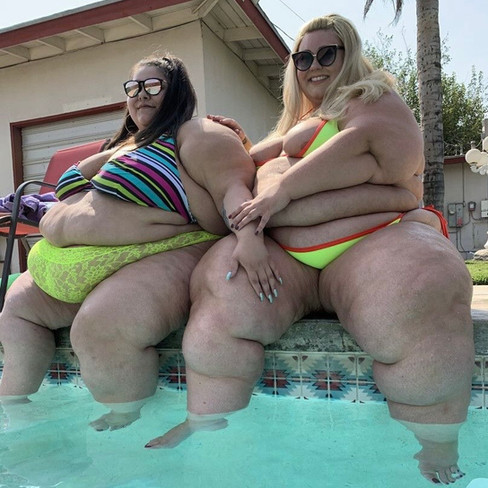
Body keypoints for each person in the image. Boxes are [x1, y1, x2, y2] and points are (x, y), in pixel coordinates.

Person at [147, 15, 474, 486]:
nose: (314, 65)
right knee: (223, 286)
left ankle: (437, 446)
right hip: (288, 256)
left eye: (327, 54)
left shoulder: (371, 97)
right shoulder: (301, 121)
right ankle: (207, 421)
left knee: (422, 285)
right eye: (303, 58)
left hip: (372, 240)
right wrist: (238, 146)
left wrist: (282, 193)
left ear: (350, 55)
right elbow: (248, 166)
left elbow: (373, 145)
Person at [0, 53, 279, 431]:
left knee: (100, 328)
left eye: (153, 86)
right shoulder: (126, 144)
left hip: (162, 252)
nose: (141, 94)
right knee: (16, 310)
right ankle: (15, 414)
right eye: (133, 87)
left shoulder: (197, 133)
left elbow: (233, 188)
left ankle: (126, 421)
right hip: (86, 256)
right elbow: (70, 190)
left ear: (178, 91)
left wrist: (248, 237)